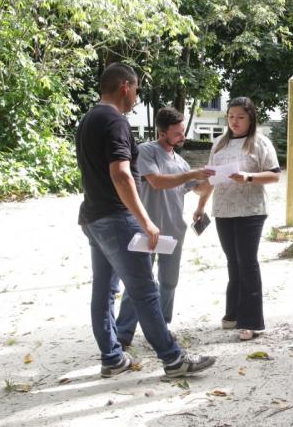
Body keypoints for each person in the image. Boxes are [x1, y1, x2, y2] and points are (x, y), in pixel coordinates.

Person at [76, 62, 215, 378]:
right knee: (145, 290)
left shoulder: (87, 119)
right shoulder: (115, 120)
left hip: (93, 218)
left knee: (105, 291)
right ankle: (173, 359)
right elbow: (121, 174)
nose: (137, 98)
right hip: (115, 218)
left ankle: (112, 358)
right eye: (137, 90)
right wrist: (146, 221)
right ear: (125, 86)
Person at [116, 106, 210, 349]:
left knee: (169, 281)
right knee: (139, 283)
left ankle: (162, 328)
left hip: (174, 231)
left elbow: (196, 187)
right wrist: (193, 174)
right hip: (145, 231)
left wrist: (210, 182)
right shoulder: (146, 152)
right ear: (162, 133)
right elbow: (156, 182)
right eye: (178, 133)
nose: (183, 137)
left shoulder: (181, 162)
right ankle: (123, 334)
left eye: (183, 132)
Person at [194, 97, 280, 341]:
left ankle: (252, 322)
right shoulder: (219, 143)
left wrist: (249, 177)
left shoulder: (260, 142)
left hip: (251, 210)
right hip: (223, 210)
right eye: (231, 116)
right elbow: (211, 178)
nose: (235, 121)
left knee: (247, 262)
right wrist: (201, 206)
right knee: (233, 261)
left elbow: (275, 176)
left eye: (240, 117)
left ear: (250, 118)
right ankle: (232, 313)